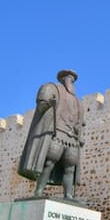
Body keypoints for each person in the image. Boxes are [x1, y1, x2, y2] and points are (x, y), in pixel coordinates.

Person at [18, 69, 85, 200]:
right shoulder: (53, 89)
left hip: (72, 137)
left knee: (70, 167)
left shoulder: (78, 102)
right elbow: (42, 105)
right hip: (58, 132)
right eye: (68, 77)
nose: (71, 80)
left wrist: (79, 133)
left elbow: (80, 122)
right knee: (50, 162)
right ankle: (39, 191)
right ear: (62, 79)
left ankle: (68, 195)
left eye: (73, 79)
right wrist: (49, 103)